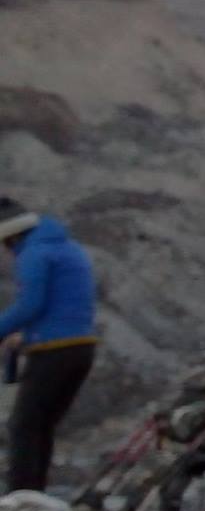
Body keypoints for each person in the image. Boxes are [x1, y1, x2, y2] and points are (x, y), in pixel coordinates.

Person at [0, 199, 98, 493]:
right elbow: (65, 307)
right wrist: (26, 336)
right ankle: (35, 494)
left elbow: (30, 305)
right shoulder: (66, 247)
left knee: (24, 427)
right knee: (41, 427)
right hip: (80, 348)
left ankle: (20, 498)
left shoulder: (34, 253)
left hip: (54, 351)